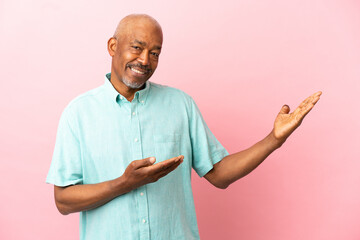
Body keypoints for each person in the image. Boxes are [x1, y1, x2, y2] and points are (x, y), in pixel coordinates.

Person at [46, 14, 322, 240]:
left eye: (155, 53)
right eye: (137, 47)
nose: (145, 60)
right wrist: (123, 184)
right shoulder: (78, 114)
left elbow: (219, 174)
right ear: (112, 46)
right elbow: (64, 201)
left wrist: (273, 139)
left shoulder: (181, 105)